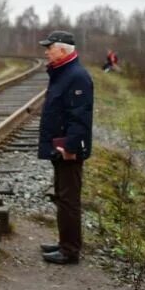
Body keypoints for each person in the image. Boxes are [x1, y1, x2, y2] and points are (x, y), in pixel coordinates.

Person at [37, 30, 94, 265]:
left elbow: (80, 117)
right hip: (60, 148)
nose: (46, 52)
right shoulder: (63, 74)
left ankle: (70, 250)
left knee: (69, 200)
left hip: (68, 151)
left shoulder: (76, 76)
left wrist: (70, 147)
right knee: (62, 197)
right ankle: (64, 244)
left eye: (49, 48)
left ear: (62, 50)